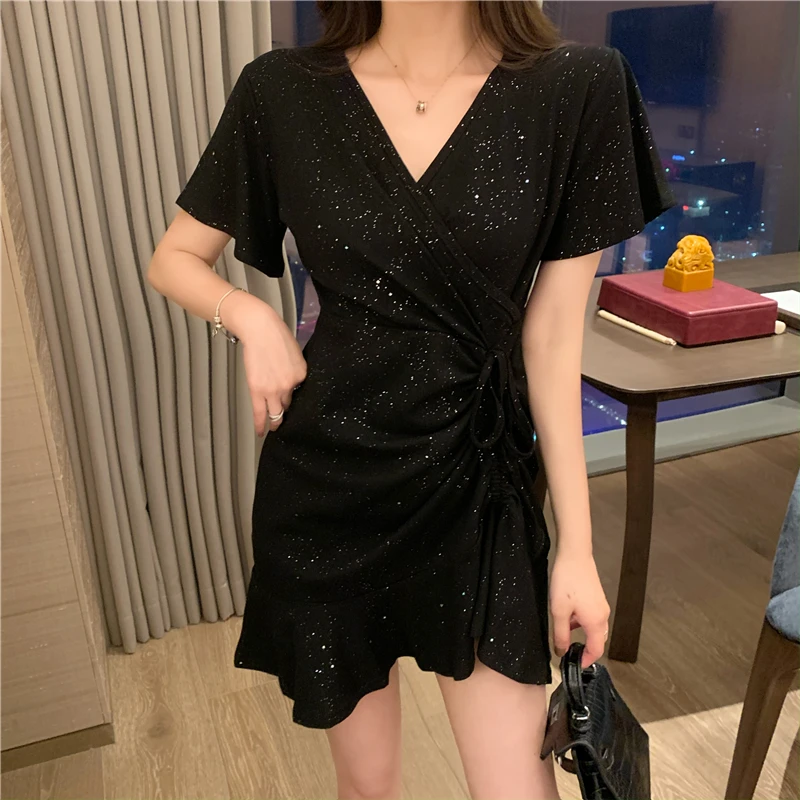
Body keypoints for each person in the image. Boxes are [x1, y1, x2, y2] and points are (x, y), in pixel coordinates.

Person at [147, 2, 675, 798]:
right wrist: (250, 316)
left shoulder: (577, 87)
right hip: (330, 486)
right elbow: (175, 257)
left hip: (480, 488)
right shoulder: (282, 91)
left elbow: (551, 340)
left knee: (517, 788)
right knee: (368, 787)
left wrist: (576, 547)